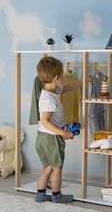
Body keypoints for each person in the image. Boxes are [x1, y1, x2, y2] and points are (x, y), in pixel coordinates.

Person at [34, 56, 82, 203]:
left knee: (48, 167)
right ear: (57, 78)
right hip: (52, 138)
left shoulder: (51, 91)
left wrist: (83, 81)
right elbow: (46, 121)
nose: (63, 78)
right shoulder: (49, 99)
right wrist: (63, 132)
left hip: (43, 137)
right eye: (62, 75)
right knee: (57, 168)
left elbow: (67, 88)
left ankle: (40, 195)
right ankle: (57, 195)